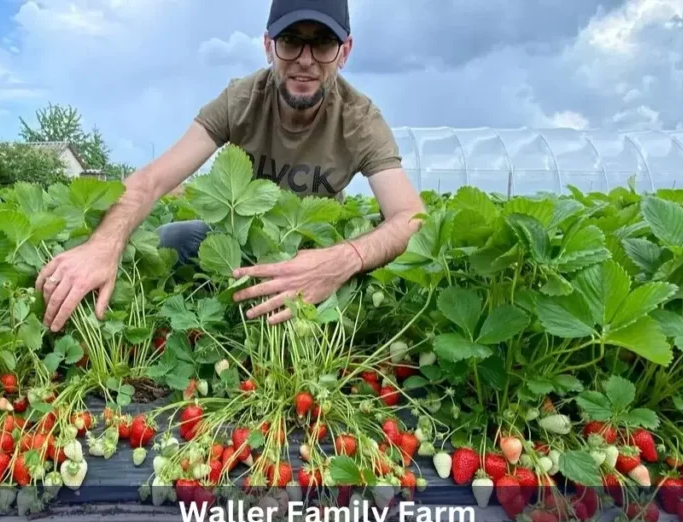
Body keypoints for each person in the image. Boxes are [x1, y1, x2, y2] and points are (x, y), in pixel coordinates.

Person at [36, 0, 425, 332]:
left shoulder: (360, 119)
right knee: (170, 239)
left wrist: (342, 261)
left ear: (345, 50)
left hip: (316, 252)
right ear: (268, 45)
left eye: (323, 43)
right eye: (291, 41)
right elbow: (153, 179)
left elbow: (410, 216)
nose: (305, 60)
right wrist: (103, 245)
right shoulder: (241, 100)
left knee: (379, 264)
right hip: (240, 246)